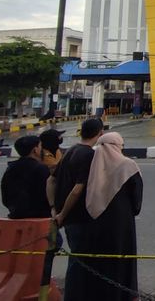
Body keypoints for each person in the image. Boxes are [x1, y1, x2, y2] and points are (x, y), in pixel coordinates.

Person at [47, 118, 104, 301]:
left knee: (78, 258)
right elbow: (78, 188)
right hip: (79, 217)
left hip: (68, 218)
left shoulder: (71, 151)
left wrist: (53, 208)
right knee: (79, 261)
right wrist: (62, 212)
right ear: (100, 133)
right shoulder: (88, 155)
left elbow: (51, 180)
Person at [85, 132, 143, 300]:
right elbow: (137, 201)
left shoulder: (94, 165)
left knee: (102, 259)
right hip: (122, 220)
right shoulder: (128, 165)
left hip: (97, 219)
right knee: (123, 257)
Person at [1, 135, 50, 218]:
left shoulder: (11, 168)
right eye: (40, 146)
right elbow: (48, 194)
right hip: (40, 217)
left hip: (16, 215)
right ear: (35, 150)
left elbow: (5, 196)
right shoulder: (41, 169)